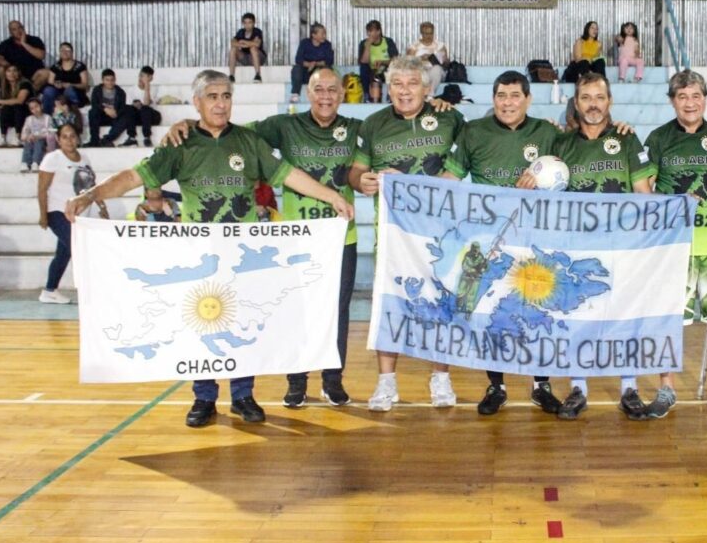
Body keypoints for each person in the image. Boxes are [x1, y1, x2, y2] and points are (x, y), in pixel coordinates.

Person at [65, 69, 354, 429]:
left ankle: (243, 396)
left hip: (242, 257)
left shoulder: (248, 142)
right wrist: (91, 194)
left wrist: (332, 196)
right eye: (213, 97)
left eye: (226, 96)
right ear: (197, 102)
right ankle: (204, 398)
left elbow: (289, 175)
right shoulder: (180, 145)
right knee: (202, 323)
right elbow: (133, 177)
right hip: (199, 258)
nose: (221, 104)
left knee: (242, 322)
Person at [166, 67, 373, 409]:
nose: (325, 96)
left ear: (342, 94)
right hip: (295, 240)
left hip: (340, 237)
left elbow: (389, 134)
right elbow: (227, 132)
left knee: (337, 311)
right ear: (308, 93)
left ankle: (332, 380)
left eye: (332, 90)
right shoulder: (284, 126)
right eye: (318, 89)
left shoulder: (356, 128)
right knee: (295, 310)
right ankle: (296, 382)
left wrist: (437, 105)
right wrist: (188, 123)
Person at [442, 70, 566, 416]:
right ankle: (496, 386)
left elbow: (569, 173)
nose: (507, 103)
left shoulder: (547, 133)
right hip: (491, 241)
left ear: (528, 99)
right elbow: (449, 179)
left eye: (514, 96)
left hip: (536, 239)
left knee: (537, 309)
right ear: (493, 99)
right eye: (501, 95)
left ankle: (541, 385)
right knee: (490, 310)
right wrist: (408, 189)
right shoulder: (474, 132)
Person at [349, 56, 466, 412]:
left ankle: (440, 378)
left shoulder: (450, 119)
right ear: (388, 88)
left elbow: (460, 169)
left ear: (427, 88)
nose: (404, 90)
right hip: (392, 236)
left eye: (412, 83)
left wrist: (417, 189)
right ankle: (386, 382)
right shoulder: (373, 124)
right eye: (397, 84)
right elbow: (356, 171)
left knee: (441, 305)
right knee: (389, 306)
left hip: (439, 235)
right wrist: (362, 181)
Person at [642, 70, 707, 421]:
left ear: (705, 99)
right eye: (683, 96)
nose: (690, 103)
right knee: (670, 321)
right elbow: (645, 191)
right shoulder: (659, 138)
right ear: (672, 101)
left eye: (696, 95)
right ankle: (666, 388)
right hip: (675, 249)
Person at [551, 73, 655, 420]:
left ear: (609, 101)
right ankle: (578, 388)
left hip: (621, 246)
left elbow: (643, 194)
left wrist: (667, 219)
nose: (593, 104)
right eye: (586, 98)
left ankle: (629, 388)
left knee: (624, 316)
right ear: (576, 103)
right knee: (578, 317)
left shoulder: (626, 139)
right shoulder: (562, 144)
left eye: (599, 97)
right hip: (577, 249)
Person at [38, 123, 106, 304]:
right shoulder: (52, 159)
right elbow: (42, 189)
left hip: (79, 214)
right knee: (78, 247)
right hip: (57, 211)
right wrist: (43, 215)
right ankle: (93, 289)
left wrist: (102, 206)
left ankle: (49, 291)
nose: (69, 140)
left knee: (64, 252)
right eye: (65, 137)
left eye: (72, 136)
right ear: (58, 140)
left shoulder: (84, 158)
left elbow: (92, 185)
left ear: (78, 138)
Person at [0, 64, 34, 147]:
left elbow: (20, 100)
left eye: (14, 70)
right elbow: (5, 103)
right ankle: (3, 137)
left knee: (18, 107)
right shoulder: (5, 86)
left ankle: (19, 137)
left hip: (25, 112)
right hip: (12, 115)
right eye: (9, 71)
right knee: (6, 108)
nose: (12, 73)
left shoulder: (25, 84)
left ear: (19, 73)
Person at [87, 69, 135, 146]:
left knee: (129, 109)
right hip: (101, 116)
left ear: (115, 80)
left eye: (112, 80)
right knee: (92, 112)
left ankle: (107, 139)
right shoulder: (97, 90)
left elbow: (122, 107)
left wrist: (116, 113)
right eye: (107, 80)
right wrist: (105, 109)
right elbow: (94, 104)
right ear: (103, 80)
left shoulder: (120, 92)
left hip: (115, 116)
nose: (110, 82)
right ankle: (94, 140)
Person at [291, 22, 335, 104]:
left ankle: (325, 95)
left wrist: (315, 64)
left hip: (319, 73)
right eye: (322, 34)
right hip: (306, 72)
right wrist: (309, 64)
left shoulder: (327, 45)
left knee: (327, 69)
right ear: (314, 35)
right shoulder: (304, 43)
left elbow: (329, 61)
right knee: (296, 68)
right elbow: (298, 59)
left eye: (325, 33)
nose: (324, 36)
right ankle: (295, 95)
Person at [40, 42, 89, 114]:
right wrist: (56, 84)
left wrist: (71, 85)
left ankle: (74, 114)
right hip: (58, 92)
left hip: (75, 91)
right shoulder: (55, 66)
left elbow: (85, 84)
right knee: (48, 90)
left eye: (67, 50)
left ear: (72, 52)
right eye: (62, 50)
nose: (65, 52)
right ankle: (47, 116)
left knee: (69, 90)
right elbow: (50, 82)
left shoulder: (80, 66)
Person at [358, 19, 399, 104]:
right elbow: (364, 61)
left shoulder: (388, 41)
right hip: (371, 69)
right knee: (363, 68)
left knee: (394, 67)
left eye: (372, 31)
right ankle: (367, 95)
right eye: (368, 32)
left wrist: (382, 62)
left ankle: (391, 95)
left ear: (379, 31)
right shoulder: (364, 43)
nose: (370, 34)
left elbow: (395, 60)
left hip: (386, 69)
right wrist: (368, 45)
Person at [407, 21, 450, 95]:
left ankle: (430, 94)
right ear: (421, 33)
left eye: (431, 33)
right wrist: (420, 58)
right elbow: (408, 62)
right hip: (421, 71)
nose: (429, 36)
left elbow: (445, 65)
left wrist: (445, 61)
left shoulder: (440, 45)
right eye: (426, 34)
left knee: (436, 69)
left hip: (436, 72)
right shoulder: (414, 46)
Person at [20, 98, 55, 172]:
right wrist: (28, 137)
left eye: (36, 106)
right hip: (32, 140)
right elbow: (24, 133)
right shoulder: (29, 119)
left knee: (39, 141)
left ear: (41, 106)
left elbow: (51, 132)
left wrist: (39, 136)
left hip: (44, 140)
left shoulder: (47, 118)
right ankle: (25, 162)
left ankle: (35, 162)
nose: (35, 110)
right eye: (32, 108)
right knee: (28, 142)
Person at [228, 12, 265, 83]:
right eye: (245, 23)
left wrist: (243, 41)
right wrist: (247, 44)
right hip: (245, 58)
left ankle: (258, 75)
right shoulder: (241, 32)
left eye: (249, 22)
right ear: (243, 23)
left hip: (258, 57)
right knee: (233, 49)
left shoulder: (257, 31)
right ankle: (231, 76)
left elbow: (257, 44)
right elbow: (232, 43)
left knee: (253, 48)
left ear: (253, 23)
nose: (247, 25)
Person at [131, 66, 161, 148]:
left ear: (150, 78)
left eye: (145, 77)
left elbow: (146, 103)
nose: (141, 78)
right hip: (137, 117)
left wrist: (147, 85)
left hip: (151, 117)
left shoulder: (155, 89)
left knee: (145, 109)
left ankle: (147, 137)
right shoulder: (132, 89)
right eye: (141, 75)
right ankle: (131, 138)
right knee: (130, 110)